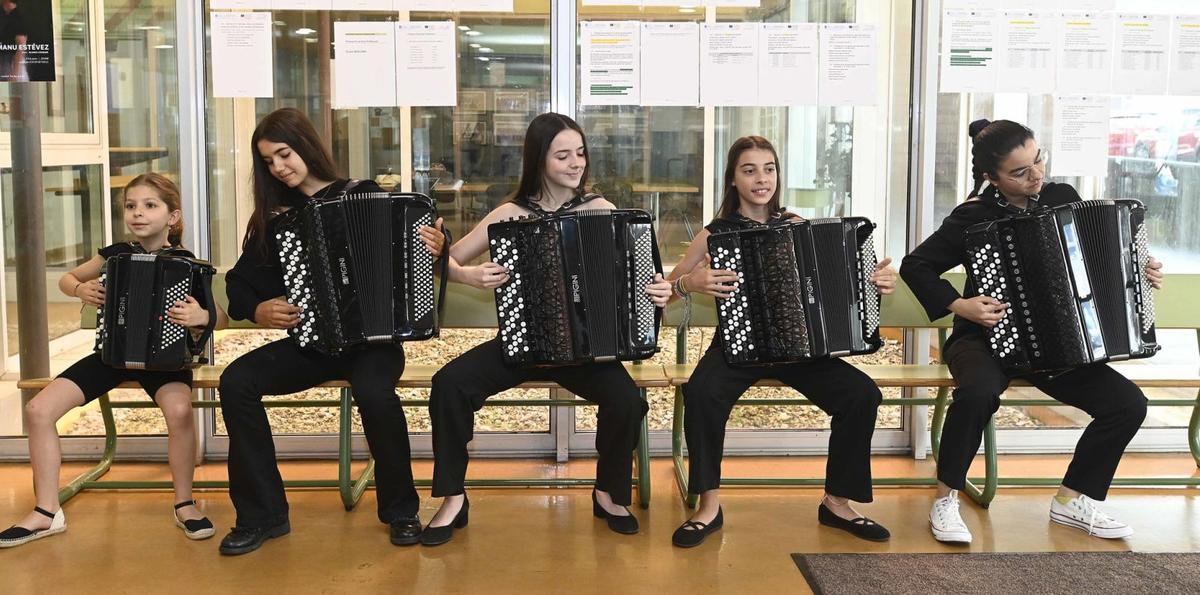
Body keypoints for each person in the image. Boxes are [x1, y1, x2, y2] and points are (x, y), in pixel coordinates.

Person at [900, 119, 1165, 543]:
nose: (1036, 175)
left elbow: (1102, 256)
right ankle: (946, 498)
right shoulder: (973, 217)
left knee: (1127, 403)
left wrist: (1138, 267)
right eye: (1020, 172)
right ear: (992, 177)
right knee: (979, 392)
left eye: (1037, 159)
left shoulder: (1063, 199)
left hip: (1056, 345)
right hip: (982, 340)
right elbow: (917, 265)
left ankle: (1072, 499)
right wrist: (959, 303)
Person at [421, 112, 672, 546]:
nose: (576, 164)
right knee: (449, 385)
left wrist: (658, 292)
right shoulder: (510, 213)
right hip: (522, 342)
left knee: (627, 401)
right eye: (563, 156)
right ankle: (452, 498)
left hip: (587, 350)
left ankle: (609, 493)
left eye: (580, 153)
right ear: (539, 160)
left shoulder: (601, 210)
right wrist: (468, 276)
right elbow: (447, 260)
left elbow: (636, 278)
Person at [216, 108, 445, 555]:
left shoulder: (363, 194)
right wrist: (259, 309)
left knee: (375, 394)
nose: (279, 167)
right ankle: (263, 515)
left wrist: (437, 243)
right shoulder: (278, 218)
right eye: (268, 161)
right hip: (316, 344)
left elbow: (415, 248)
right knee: (236, 382)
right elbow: (237, 286)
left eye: (284, 154)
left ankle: (401, 511)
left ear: (306, 146)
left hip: (377, 343)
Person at [665, 136, 898, 548]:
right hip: (737, 346)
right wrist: (690, 281)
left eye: (769, 168)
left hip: (798, 348)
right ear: (733, 180)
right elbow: (665, 292)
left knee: (861, 394)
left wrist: (874, 282)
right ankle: (708, 507)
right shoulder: (714, 234)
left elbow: (837, 287)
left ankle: (837, 503)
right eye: (749, 170)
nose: (761, 178)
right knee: (701, 392)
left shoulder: (798, 227)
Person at [1, 173, 226, 548]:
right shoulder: (114, 254)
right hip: (111, 357)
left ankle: (185, 503)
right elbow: (67, 279)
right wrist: (80, 288)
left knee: (180, 411)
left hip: (166, 362)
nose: (138, 214)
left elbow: (220, 315)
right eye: (131, 206)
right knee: (39, 409)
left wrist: (202, 317)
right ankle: (46, 511)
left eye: (150, 205)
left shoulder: (187, 264)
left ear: (173, 216)